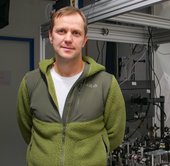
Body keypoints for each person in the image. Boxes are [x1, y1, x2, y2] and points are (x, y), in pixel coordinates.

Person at [17, 6, 126, 166]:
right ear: (51, 36)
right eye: (61, 31)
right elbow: (26, 129)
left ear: (84, 40)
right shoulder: (31, 82)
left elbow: (115, 136)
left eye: (76, 33)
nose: (68, 39)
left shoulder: (106, 83)